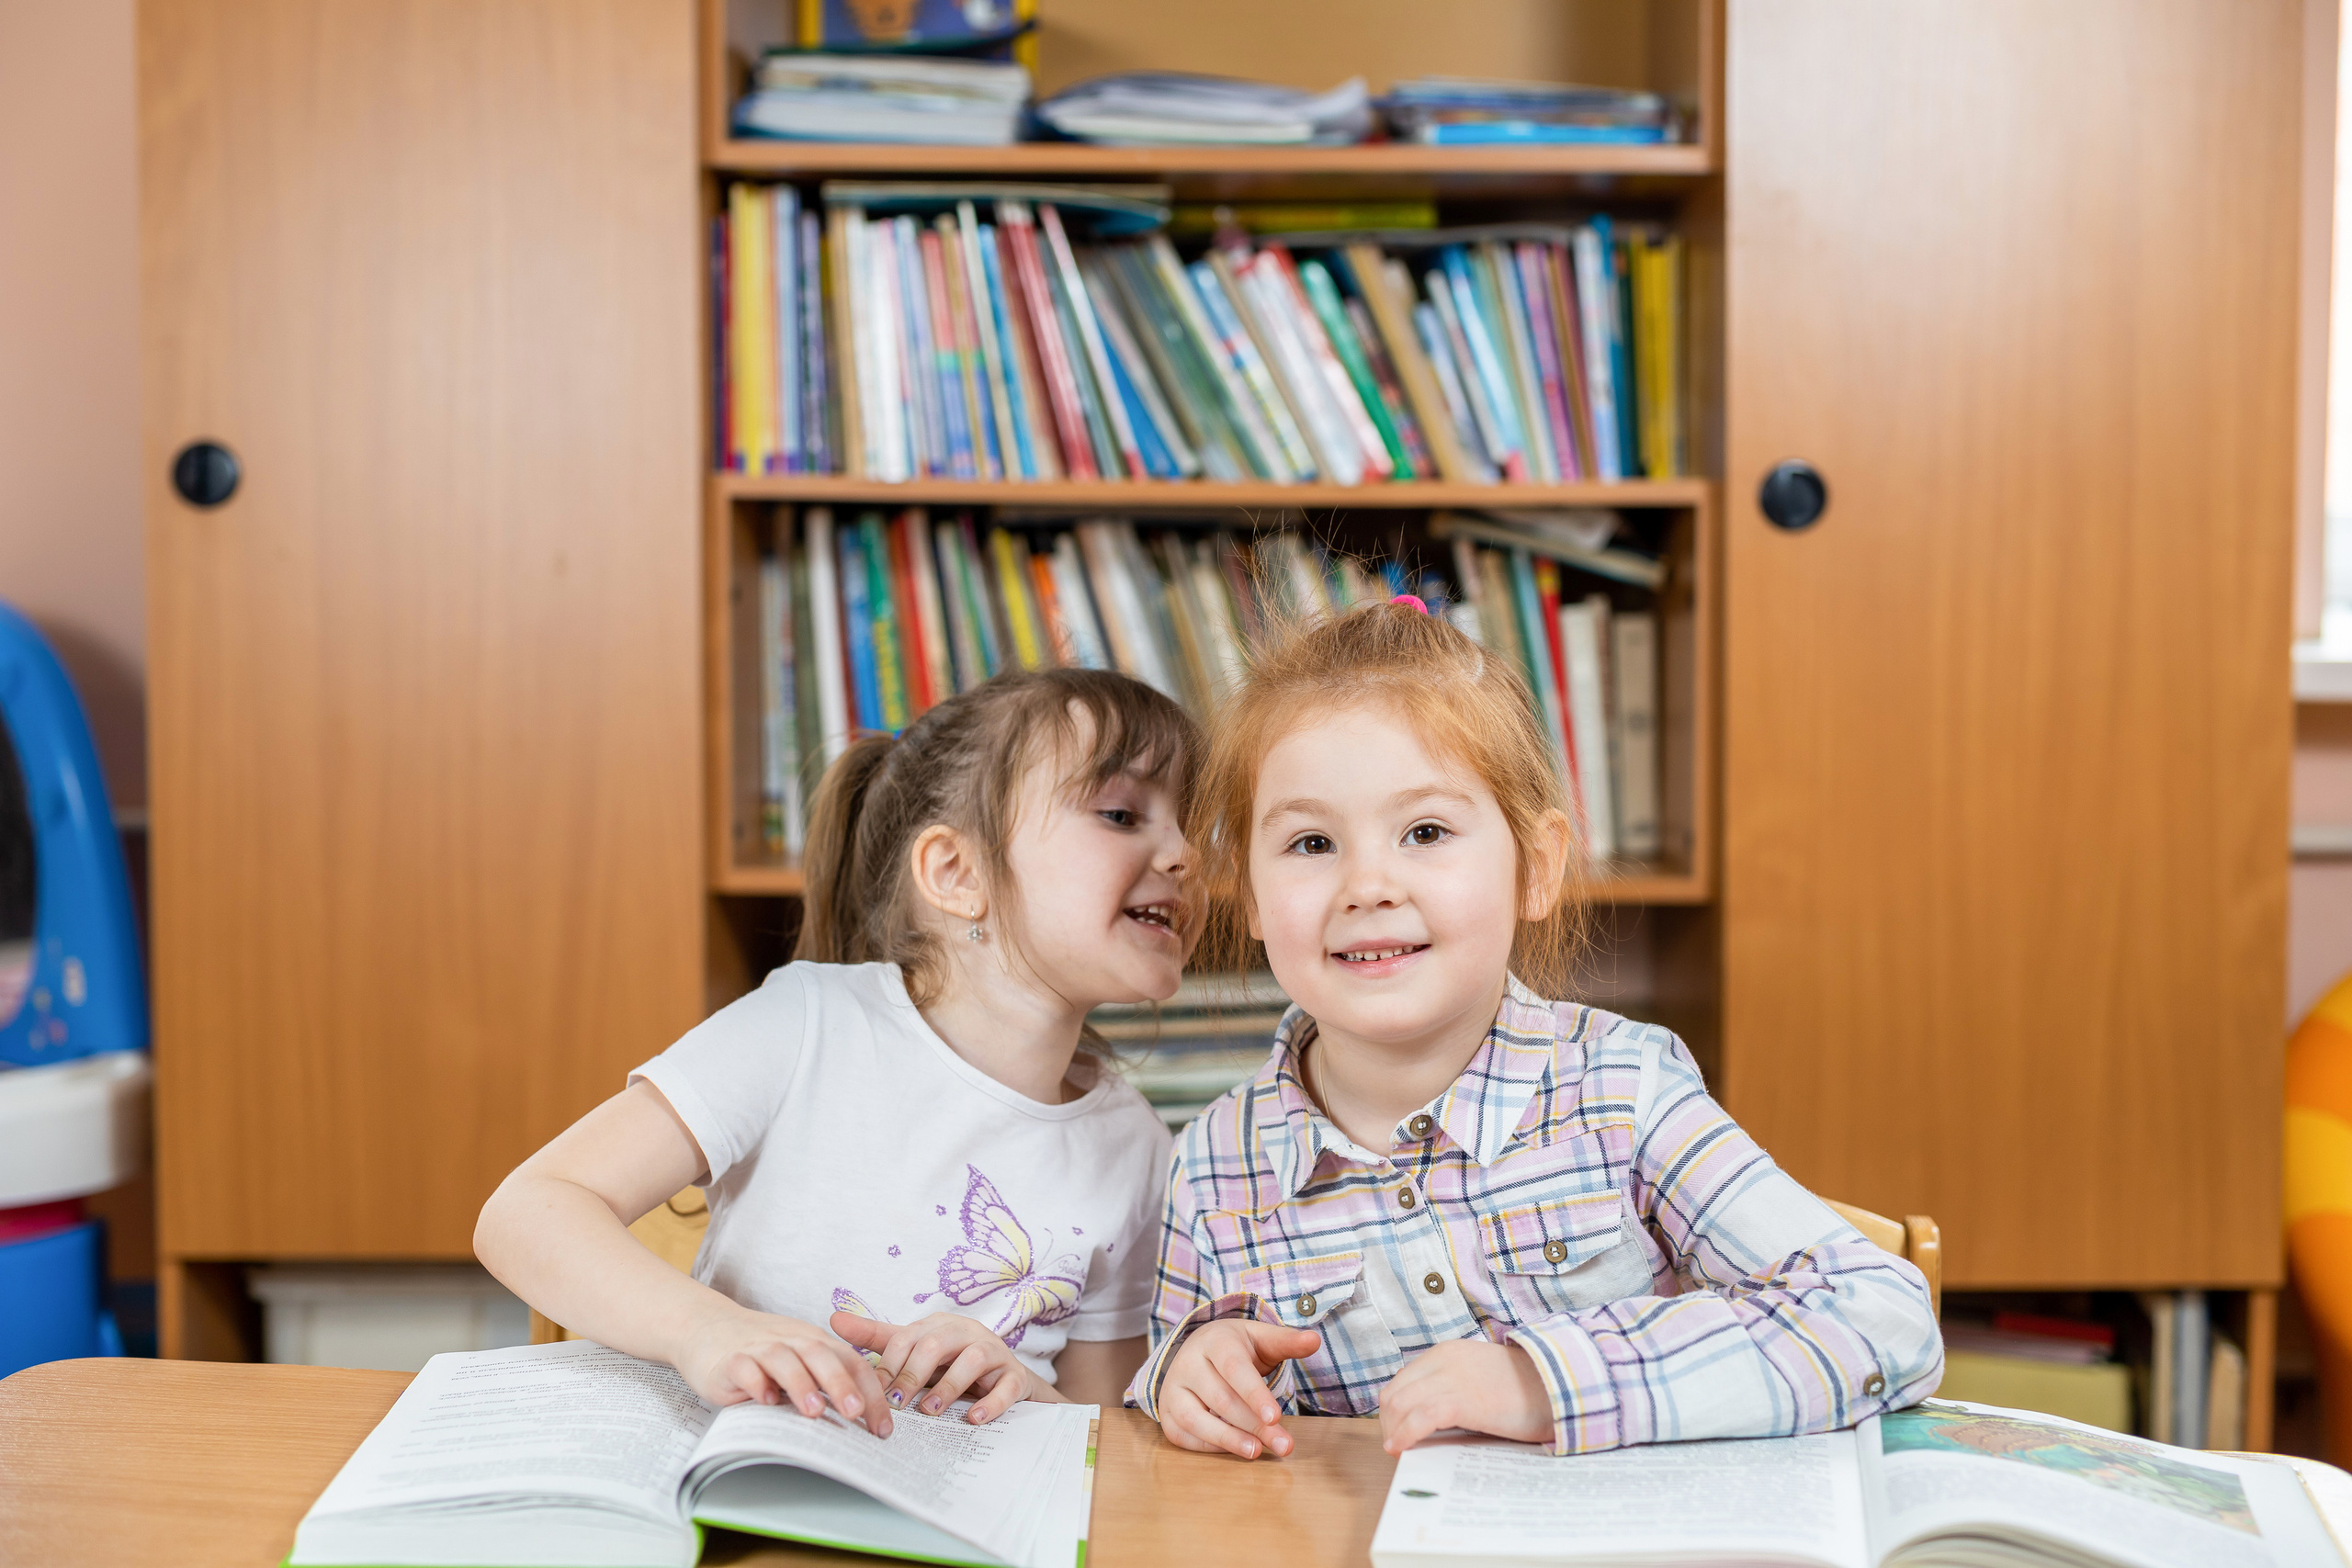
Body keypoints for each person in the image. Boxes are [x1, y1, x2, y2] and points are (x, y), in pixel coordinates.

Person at [1129, 598, 1942, 1460]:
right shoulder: (1213, 1162)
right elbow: (1174, 1404)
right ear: (1250, 896)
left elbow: (1882, 1314)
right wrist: (1187, 1376)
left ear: (1537, 867)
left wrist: (1541, 1381)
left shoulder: (1623, 1089)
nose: (1367, 884)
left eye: (1426, 831)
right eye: (1310, 843)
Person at [477, 669, 1194, 1434]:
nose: (1184, 853)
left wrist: (1024, 1386)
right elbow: (524, 1212)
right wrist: (707, 1329)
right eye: (1122, 813)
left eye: (1191, 823)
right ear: (956, 872)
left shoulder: (1139, 1148)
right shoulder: (805, 1025)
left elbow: (1100, 1438)